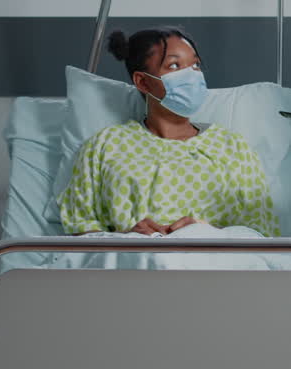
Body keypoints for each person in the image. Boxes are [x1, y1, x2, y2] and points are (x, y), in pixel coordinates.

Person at [58, 27, 279, 237]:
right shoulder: (105, 146)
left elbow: (261, 231)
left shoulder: (231, 147)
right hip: (134, 261)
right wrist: (126, 238)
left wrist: (208, 232)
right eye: (174, 66)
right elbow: (81, 227)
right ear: (143, 82)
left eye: (195, 65)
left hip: (212, 261)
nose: (192, 76)